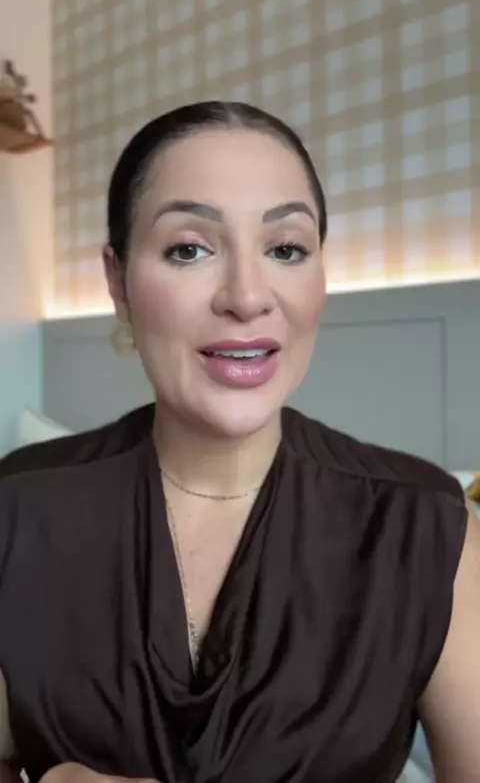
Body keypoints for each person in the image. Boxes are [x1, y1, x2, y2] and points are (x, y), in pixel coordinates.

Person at [0, 101, 479, 783]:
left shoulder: (429, 528)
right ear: (118, 282)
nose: (247, 297)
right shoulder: (19, 507)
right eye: (189, 249)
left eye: (285, 249)